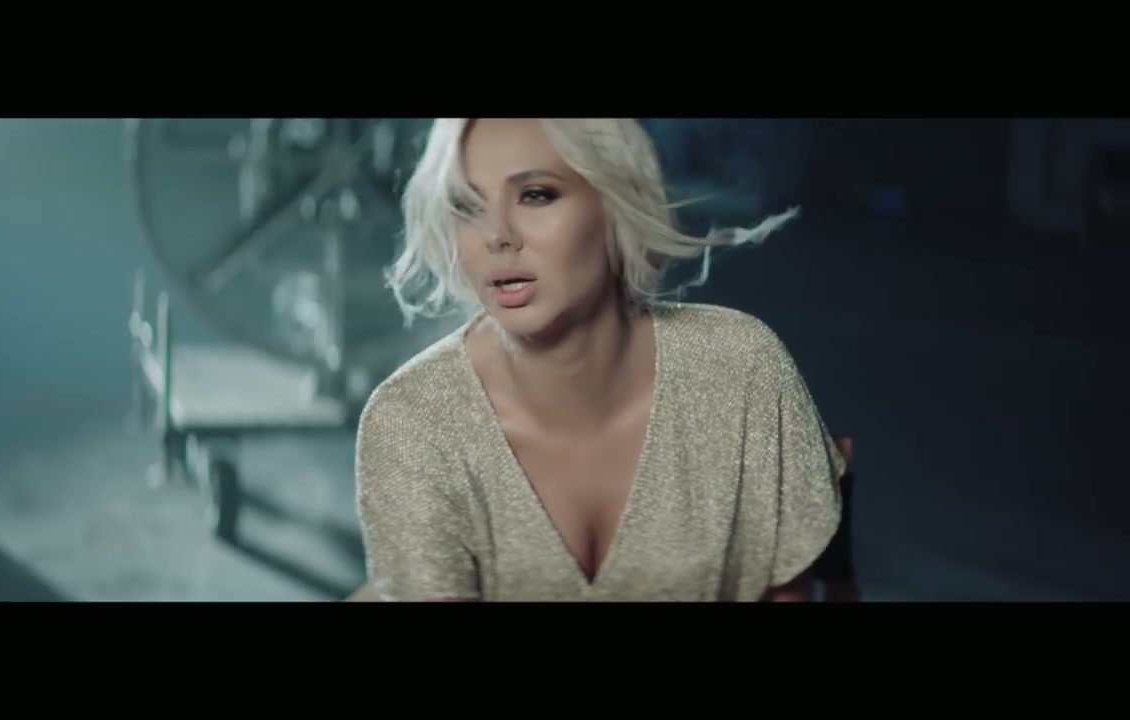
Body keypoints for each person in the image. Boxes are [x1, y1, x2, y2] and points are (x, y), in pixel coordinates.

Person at [349, 118, 846, 602]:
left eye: (535, 195)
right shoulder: (410, 421)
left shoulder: (740, 367)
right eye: (466, 206)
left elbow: (798, 588)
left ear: (615, 201)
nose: (496, 234)